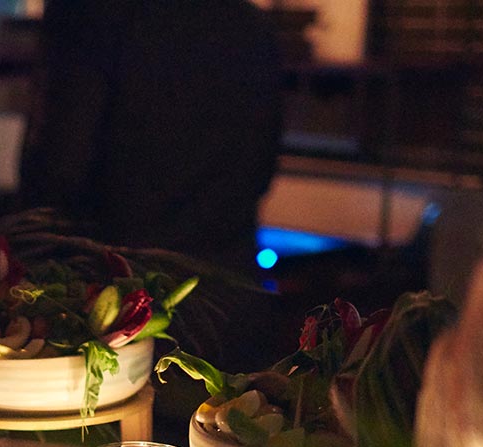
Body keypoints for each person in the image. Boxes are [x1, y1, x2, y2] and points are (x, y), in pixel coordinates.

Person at [19, 0, 284, 276]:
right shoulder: (252, 25)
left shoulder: (87, 13)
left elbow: (58, 166)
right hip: (226, 285)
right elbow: (262, 163)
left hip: (114, 289)